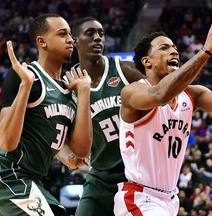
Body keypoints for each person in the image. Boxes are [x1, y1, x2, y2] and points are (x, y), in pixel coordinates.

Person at [114, 10, 212, 216]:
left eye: (175, 48)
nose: (174, 51)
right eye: (164, 47)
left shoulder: (191, 96)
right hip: (140, 199)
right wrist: (206, 51)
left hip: (170, 199)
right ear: (147, 61)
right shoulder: (133, 92)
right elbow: (160, 94)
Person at [0, 13, 92, 216]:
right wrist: (25, 87)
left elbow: (78, 152)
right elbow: (7, 143)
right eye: (62, 34)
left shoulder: (69, 89)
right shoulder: (25, 77)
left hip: (33, 177)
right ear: (42, 41)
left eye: (70, 34)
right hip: (7, 171)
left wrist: (84, 92)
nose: (71, 39)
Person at [70, 16, 145, 216]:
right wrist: (67, 155)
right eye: (90, 33)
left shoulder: (125, 70)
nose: (98, 38)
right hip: (100, 177)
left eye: (101, 34)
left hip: (137, 175)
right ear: (75, 41)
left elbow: (159, 95)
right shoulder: (69, 85)